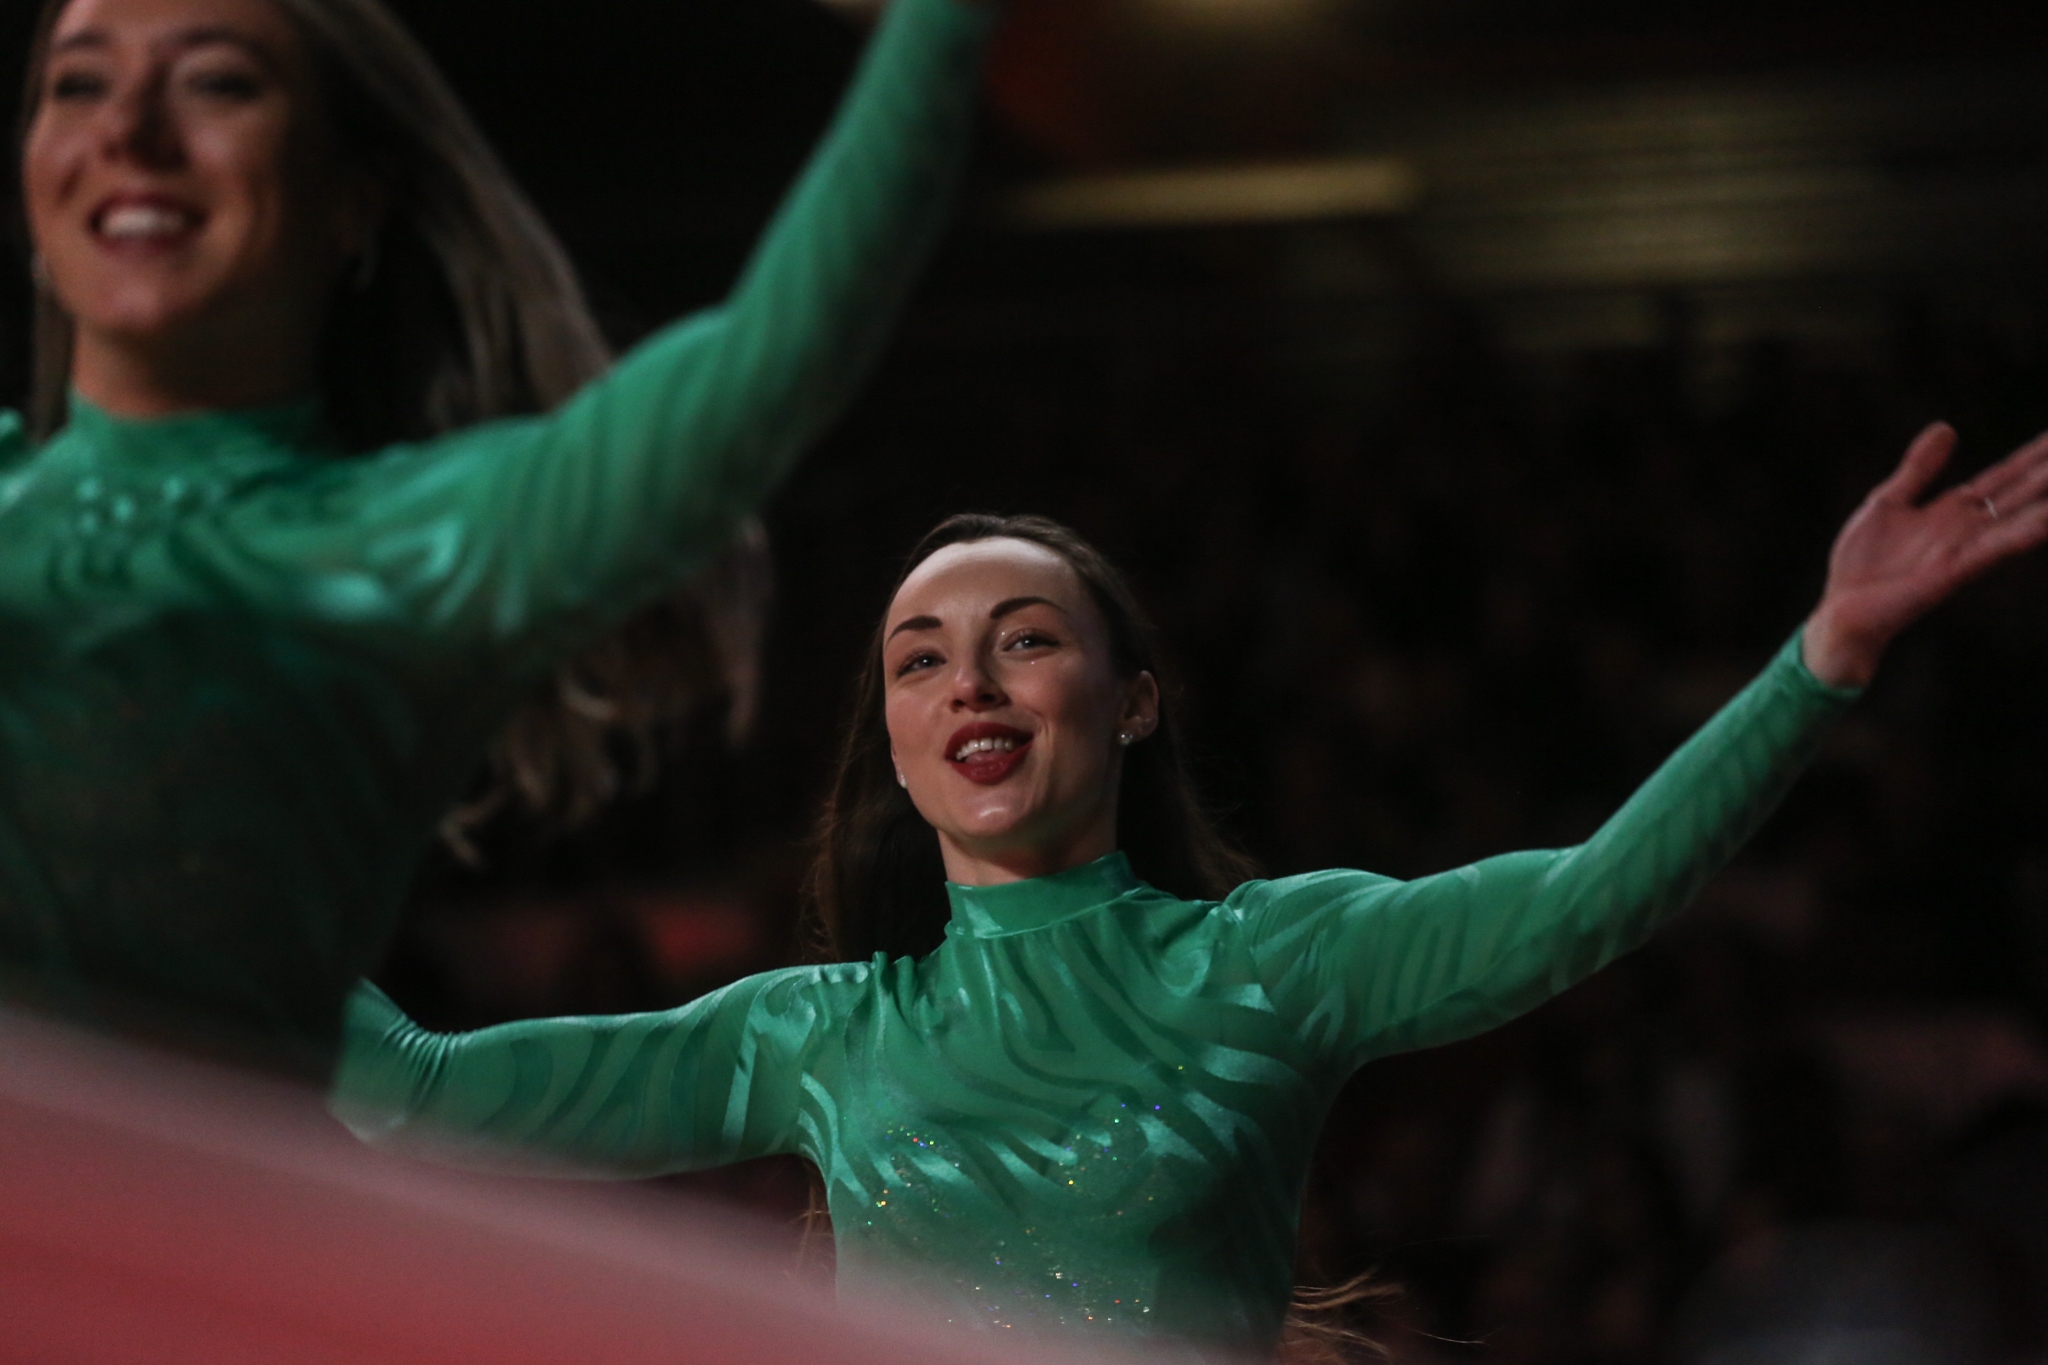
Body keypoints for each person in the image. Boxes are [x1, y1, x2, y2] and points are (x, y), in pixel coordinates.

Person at [334, 424, 2048, 1355]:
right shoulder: (806, 1034)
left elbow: (1591, 895)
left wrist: (1820, 658)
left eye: (1023, 643)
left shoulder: (1268, 962)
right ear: (895, 734)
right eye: (922, 661)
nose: (973, 687)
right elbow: (407, 1097)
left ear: (1131, 700)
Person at [2, 0, 998, 1062]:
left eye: (217, 83)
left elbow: (766, 365)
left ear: (351, 200)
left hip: (149, 1221)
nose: (128, 131)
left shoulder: (417, 547)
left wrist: (936, 23)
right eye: (79, 84)